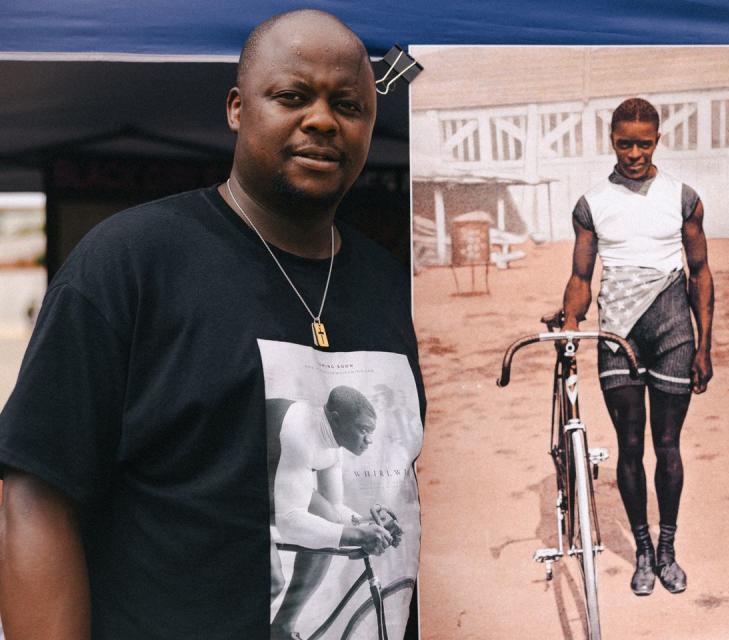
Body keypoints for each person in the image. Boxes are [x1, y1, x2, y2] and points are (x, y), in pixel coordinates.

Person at [0, 9, 423, 639]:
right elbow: (32, 493)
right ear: (235, 108)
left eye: (350, 105)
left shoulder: (396, 288)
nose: (322, 120)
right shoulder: (132, 261)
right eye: (291, 96)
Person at [561, 97, 714, 596]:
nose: (633, 153)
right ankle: (643, 552)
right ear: (612, 141)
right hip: (617, 337)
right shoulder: (591, 204)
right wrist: (568, 321)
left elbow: (700, 273)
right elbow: (582, 276)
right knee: (629, 446)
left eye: (643, 143)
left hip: (673, 331)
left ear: (657, 140)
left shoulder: (683, 197)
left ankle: (669, 550)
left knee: (667, 445)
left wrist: (704, 345)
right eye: (624, 143)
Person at [268, 386, 402, 638]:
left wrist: (366, 524)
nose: (369, 440)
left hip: (266, 483)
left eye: (371, 432)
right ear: (337, 419)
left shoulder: (331, 444)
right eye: (363, 430)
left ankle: (281, 628)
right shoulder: (301, 434)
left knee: (325, 517)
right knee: (271, 582)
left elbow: (335, 509)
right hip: (229, 484)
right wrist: (359, 536)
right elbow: (289, 521)